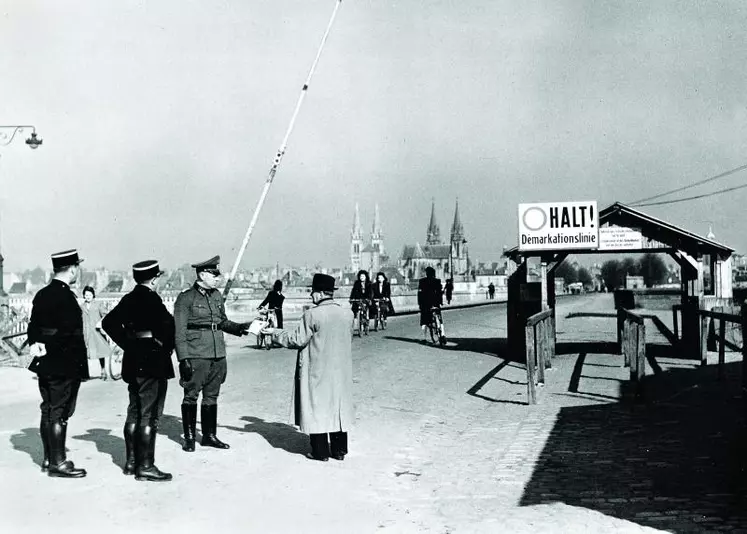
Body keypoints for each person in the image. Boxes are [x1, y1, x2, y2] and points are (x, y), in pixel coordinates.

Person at [263, 273, 354, 462]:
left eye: (312, 292)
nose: (311, 296)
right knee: (337, 406)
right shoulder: (347, 313)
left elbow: (297, 339)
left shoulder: (312, 314)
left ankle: (320, 452)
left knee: (317, 407)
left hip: (317, 368)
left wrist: (274, 333)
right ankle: (339, 450)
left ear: (320, 294)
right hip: (340, 370)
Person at [102, 260, 175, 482]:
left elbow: (108, 323)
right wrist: (162, 347)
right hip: (152, 362)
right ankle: (146, 466)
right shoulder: (153, 299)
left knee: (134, 410)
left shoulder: (129, 299)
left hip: (133, 362)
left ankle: (131, 462)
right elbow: (169, 327)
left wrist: (130, 344)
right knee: (149, 414)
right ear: (154, 279)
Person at [173, 255, 250, 452]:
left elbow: (222, 322)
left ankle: (209, 435)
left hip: (218, 353)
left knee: (212, 396)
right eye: (214, 274)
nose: (217, 277)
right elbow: (179, 332)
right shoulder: (186, 298)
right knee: (191, 395)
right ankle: (189, 437)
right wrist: (183, 359)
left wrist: (242, 328)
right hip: (196, 353)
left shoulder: (216, 296)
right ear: (202, 274)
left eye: (218, 273)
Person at [27, 249, 88, 478]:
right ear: (72, 269)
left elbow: (33, 324)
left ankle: (48, 458)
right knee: (59, 412)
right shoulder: (66, 298)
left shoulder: (42, 294)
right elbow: (69, 335)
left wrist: (36, 344)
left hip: (45, 362)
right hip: (64, 363)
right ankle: (58, 463)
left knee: (49, 408)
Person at [81, 286, 112, 380]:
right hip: (86, 332)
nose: (88, 296)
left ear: (93, 295)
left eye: (89, 295)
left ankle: (103, 371)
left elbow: (105, 315)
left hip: (96, 332)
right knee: (84, 353)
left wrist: (101, 325)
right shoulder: (81, 306)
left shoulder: (98, 304)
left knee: (100, 352)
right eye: (86, 295)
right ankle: (84, 374)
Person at [417, 266, 445, 343]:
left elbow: (419, 294)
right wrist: (440, 302)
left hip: (425, 304)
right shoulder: (437, 281)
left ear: (426, 273)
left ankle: (424, 338)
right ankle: (442, 334)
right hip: (435, 303)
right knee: (440, 320)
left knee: (424, 321)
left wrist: (420, 304)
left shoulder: (422, 281)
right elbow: (439, 293)